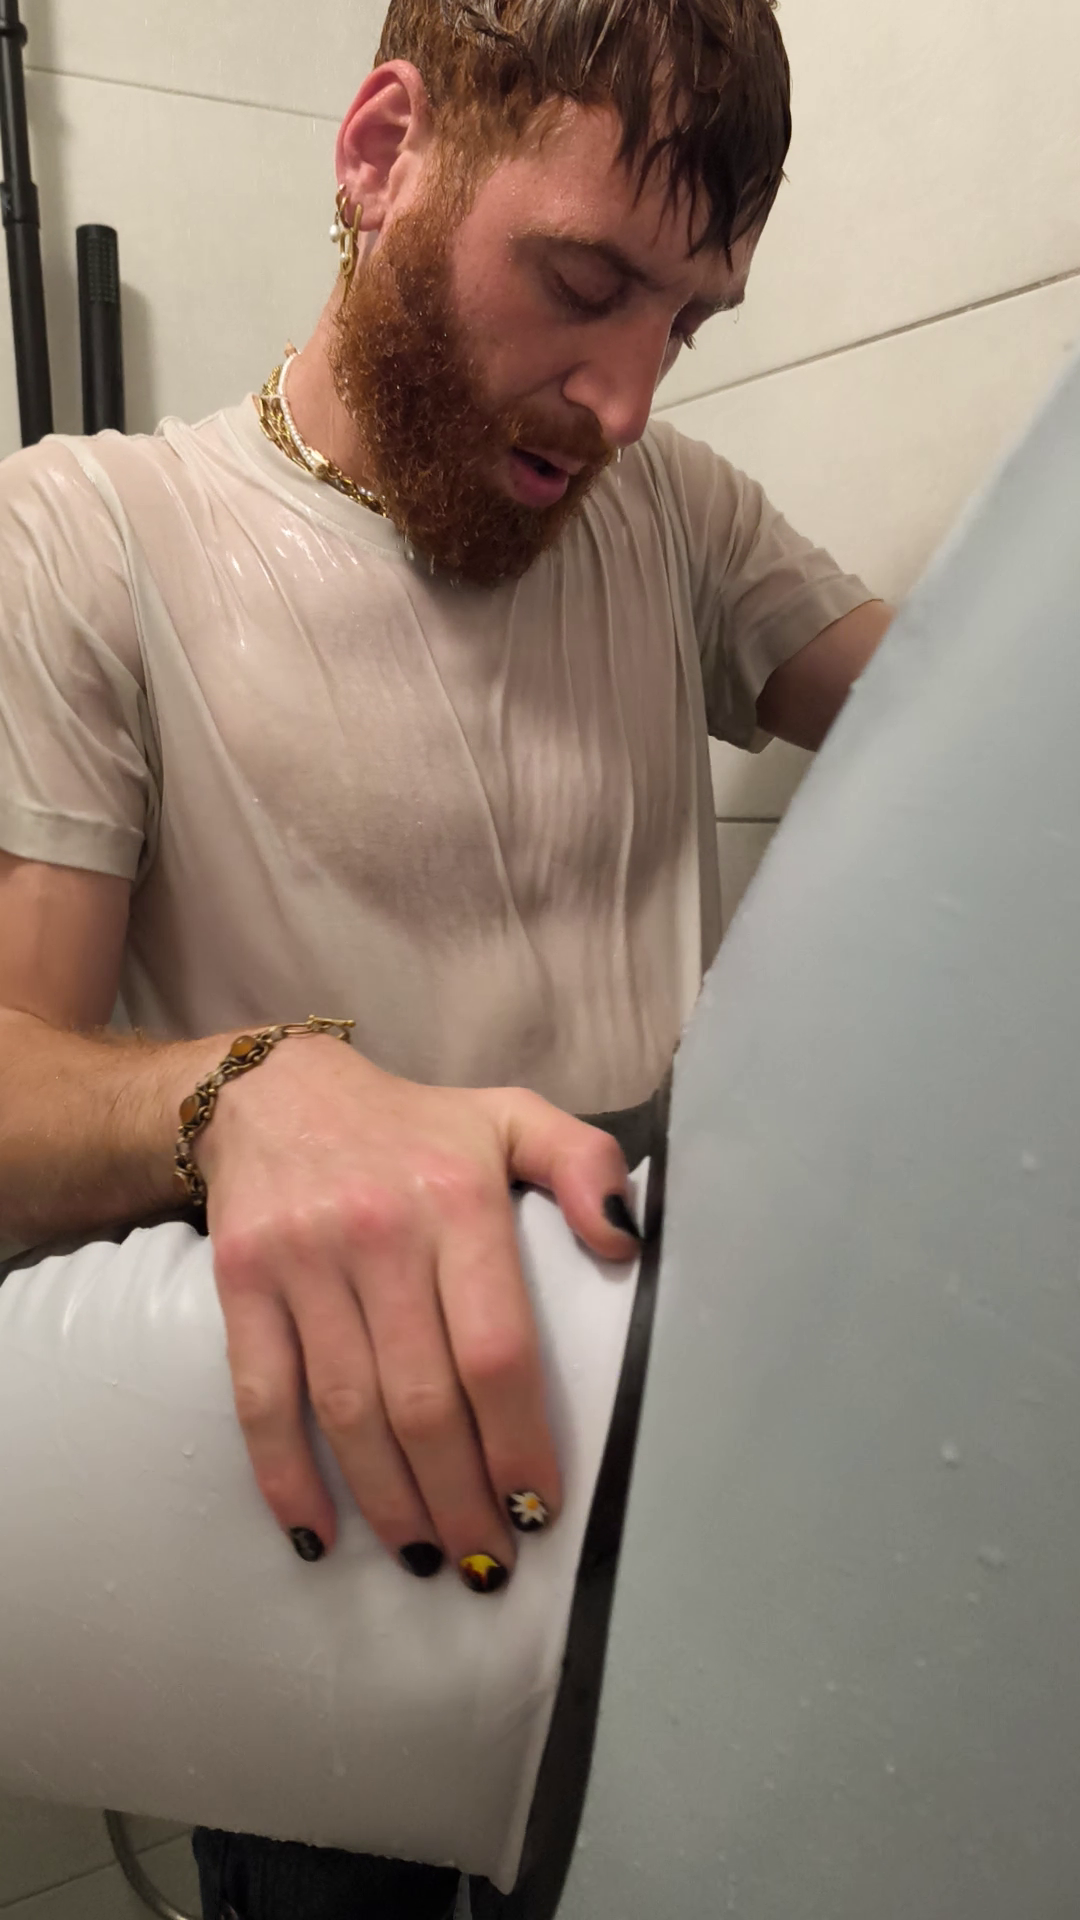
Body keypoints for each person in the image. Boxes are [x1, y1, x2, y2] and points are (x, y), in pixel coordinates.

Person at [0, 0, 891, 1913]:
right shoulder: (88, 533)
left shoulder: (674, 513)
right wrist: (240, 1090)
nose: (625, 399)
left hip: (684, 1452)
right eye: (584, 282)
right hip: (353, 1520)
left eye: (687, 324)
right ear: (384, 149)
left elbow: (975, 716)